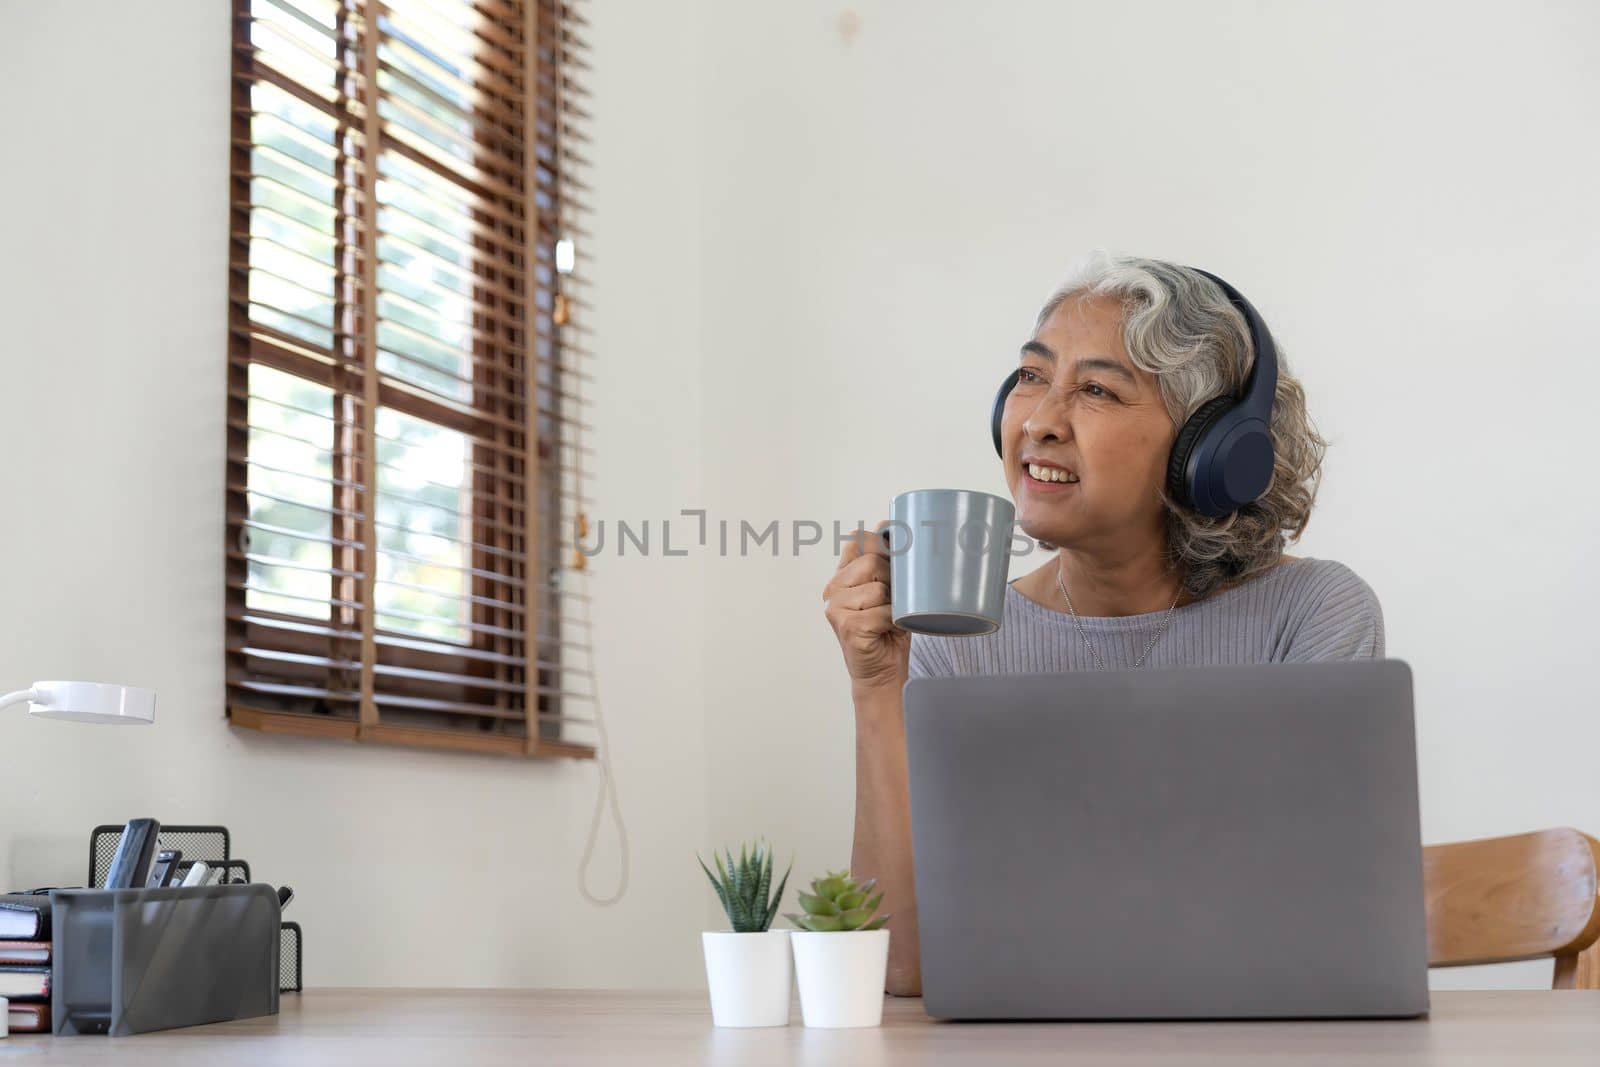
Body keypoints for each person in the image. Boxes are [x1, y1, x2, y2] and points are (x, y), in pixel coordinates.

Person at [822, 253, 1384, 996]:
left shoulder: (1310, 615)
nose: (1041, 422)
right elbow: (901, 969)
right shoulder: (963, 641)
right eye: (1030, 378)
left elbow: (1317, 932)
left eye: (1095, 389)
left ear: (1205, 452)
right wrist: (877, 684)